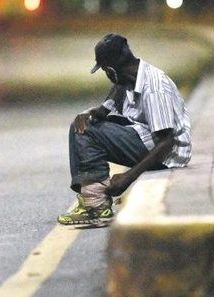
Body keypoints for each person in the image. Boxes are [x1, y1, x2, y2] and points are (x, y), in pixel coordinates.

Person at [57, 33, 191, 227]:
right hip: (145, 136)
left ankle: (96, 205)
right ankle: (94, 197)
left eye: (104, 70)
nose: (107, 75)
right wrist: (92, 113)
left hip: (169, 154)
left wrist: (128, 177)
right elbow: (108, 105)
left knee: (87, 132)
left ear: (111, 69)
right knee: (82, 124)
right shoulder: (127, 78)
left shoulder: (154, 87)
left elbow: (167, 142)